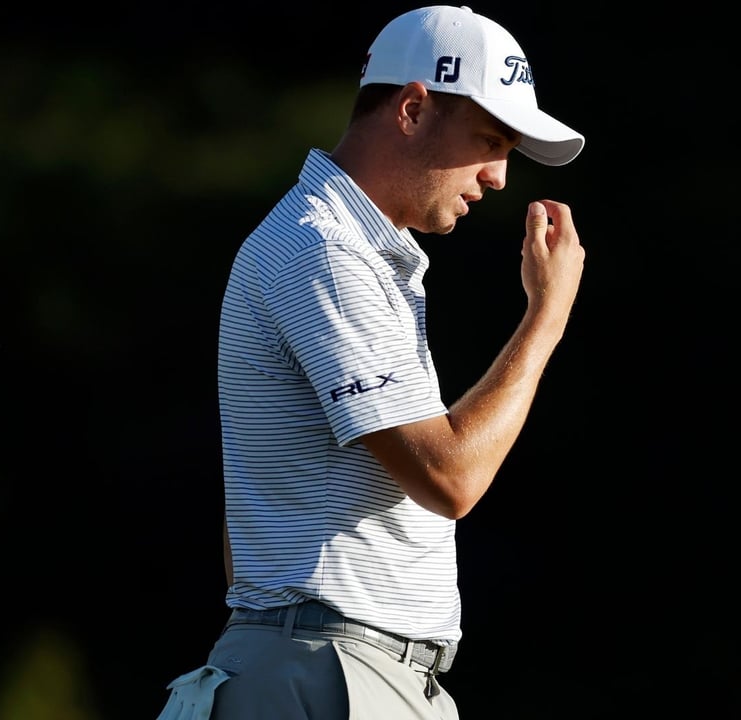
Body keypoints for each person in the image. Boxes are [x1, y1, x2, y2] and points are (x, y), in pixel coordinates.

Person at [154, 5, 585, 719]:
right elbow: (450, 476)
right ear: (413, 110)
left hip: (326, 667)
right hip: (330, 672)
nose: (501, 176)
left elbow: (251, 534)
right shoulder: (323, 250)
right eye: (489, 140)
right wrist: (547, 316)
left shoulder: (345, 252)